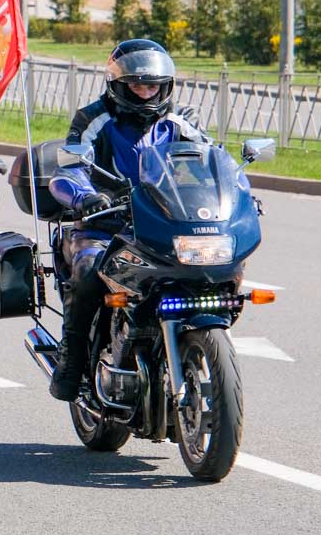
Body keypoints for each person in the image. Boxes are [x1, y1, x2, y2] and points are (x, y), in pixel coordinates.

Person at [46, 39, 208, 402]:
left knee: (210, 269)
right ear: (118, 84)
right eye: (137, 85)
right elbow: (68, 169)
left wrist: (238, 194)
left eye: (153, 85)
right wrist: (85, 196)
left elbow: (212, 161)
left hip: (163, 223)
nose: (146, 93)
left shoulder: (180, 122)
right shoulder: (94, 118)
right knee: (90, 269)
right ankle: (71, 361)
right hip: (104, 224)